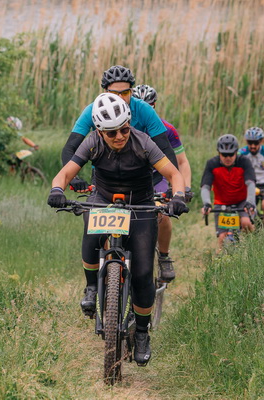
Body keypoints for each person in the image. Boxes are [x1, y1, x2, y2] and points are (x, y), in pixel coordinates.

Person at [48, 93, 188, 366]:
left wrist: (179, 196)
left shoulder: (143, 142)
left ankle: (143, 332)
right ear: (100, 132)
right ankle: (91, 287)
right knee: (91, 234)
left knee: (143, 273)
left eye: (124, 129)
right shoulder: (92, 142)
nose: (120, 136)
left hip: (140, 203)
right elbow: (65, 173)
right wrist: (56, 190)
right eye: (111, 133)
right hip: (103, 198)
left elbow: (173, 174)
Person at [61, 65, 179, 194]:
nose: (120, 98)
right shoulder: (93, 110)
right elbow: (70, 147)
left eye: (125, 93)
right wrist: (73, 178)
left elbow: (165, 147)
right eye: (114, 93)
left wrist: (172, 187)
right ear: (105, 92)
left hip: (139, 172)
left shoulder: (144, 109)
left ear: (131, 92)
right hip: (103, 174)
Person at [132, 84, 192, 281]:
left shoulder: (167, 129)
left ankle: (164, 257)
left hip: (156, 179)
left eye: (148, 106)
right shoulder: (121, 128)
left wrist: (184, 188)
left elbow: (182, 162)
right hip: (129, 179)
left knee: (162, 215)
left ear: (154, 106)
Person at [201, 134, 256, 252]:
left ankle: (253, 248)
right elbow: (205, 187)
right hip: (221, 203)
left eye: (231, 154)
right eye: (224, 154)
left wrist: (250, 202)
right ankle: (223, 261)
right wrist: (206, 203)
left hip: (242, 201)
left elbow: (251, 183)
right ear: (218, 153)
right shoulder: (212, 164)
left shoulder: (244, 162)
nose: (228, 158)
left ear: (236, 152)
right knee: (222, 237)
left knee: (246, 222)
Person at [238, 127, 264, 227]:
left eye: (256, 143)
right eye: (250, 142)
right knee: (247, 208)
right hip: (251, 184)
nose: (253, 146)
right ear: (246, 141)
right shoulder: (242, 153)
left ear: (262, 141)